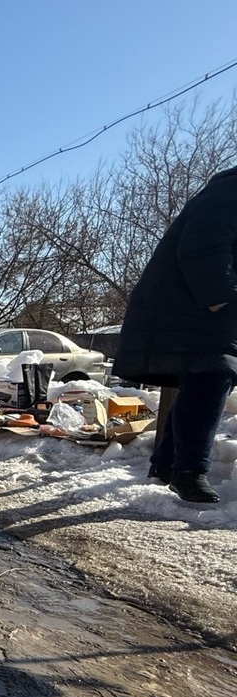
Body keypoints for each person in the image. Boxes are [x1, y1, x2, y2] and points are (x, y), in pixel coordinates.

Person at [114, 168, 237, 504]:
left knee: (202, 379)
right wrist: (219, 297)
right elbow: (204, 242)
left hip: (193, 303)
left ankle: (166, 465)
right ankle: (190, 471)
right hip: (193, 302)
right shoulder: (232, 188)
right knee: (215, 372)